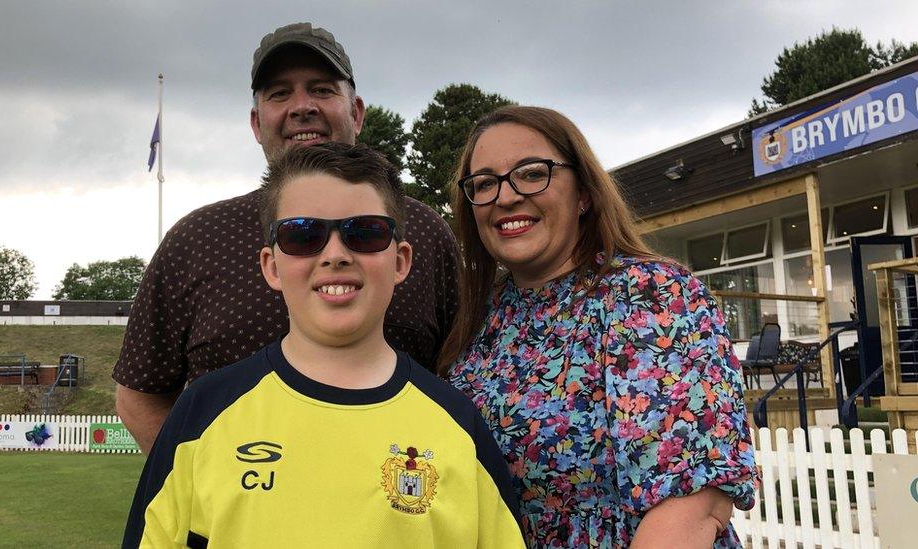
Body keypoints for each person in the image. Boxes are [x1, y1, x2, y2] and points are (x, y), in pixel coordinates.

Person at [122, 143, 524, 548]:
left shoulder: (458, 426)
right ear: (272, 266)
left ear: (400, 260)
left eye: (365, 233)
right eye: (302, 235)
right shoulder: (203, 414)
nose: (335, 254)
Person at [113, 23, 459, 454]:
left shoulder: (423, 231)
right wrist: (197, 483)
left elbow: (458, 374)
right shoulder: (196, 238)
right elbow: (139, 393)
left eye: (322, 89)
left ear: (356, 113)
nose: (302, 107)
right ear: (257, 123)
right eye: (279, 93)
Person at [439, 106, 758, 548]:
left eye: (533, 173)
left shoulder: (650, 296)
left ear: (584, 193)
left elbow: (693, 503)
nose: (506, 197)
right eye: (485, 183)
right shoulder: (479, 319)